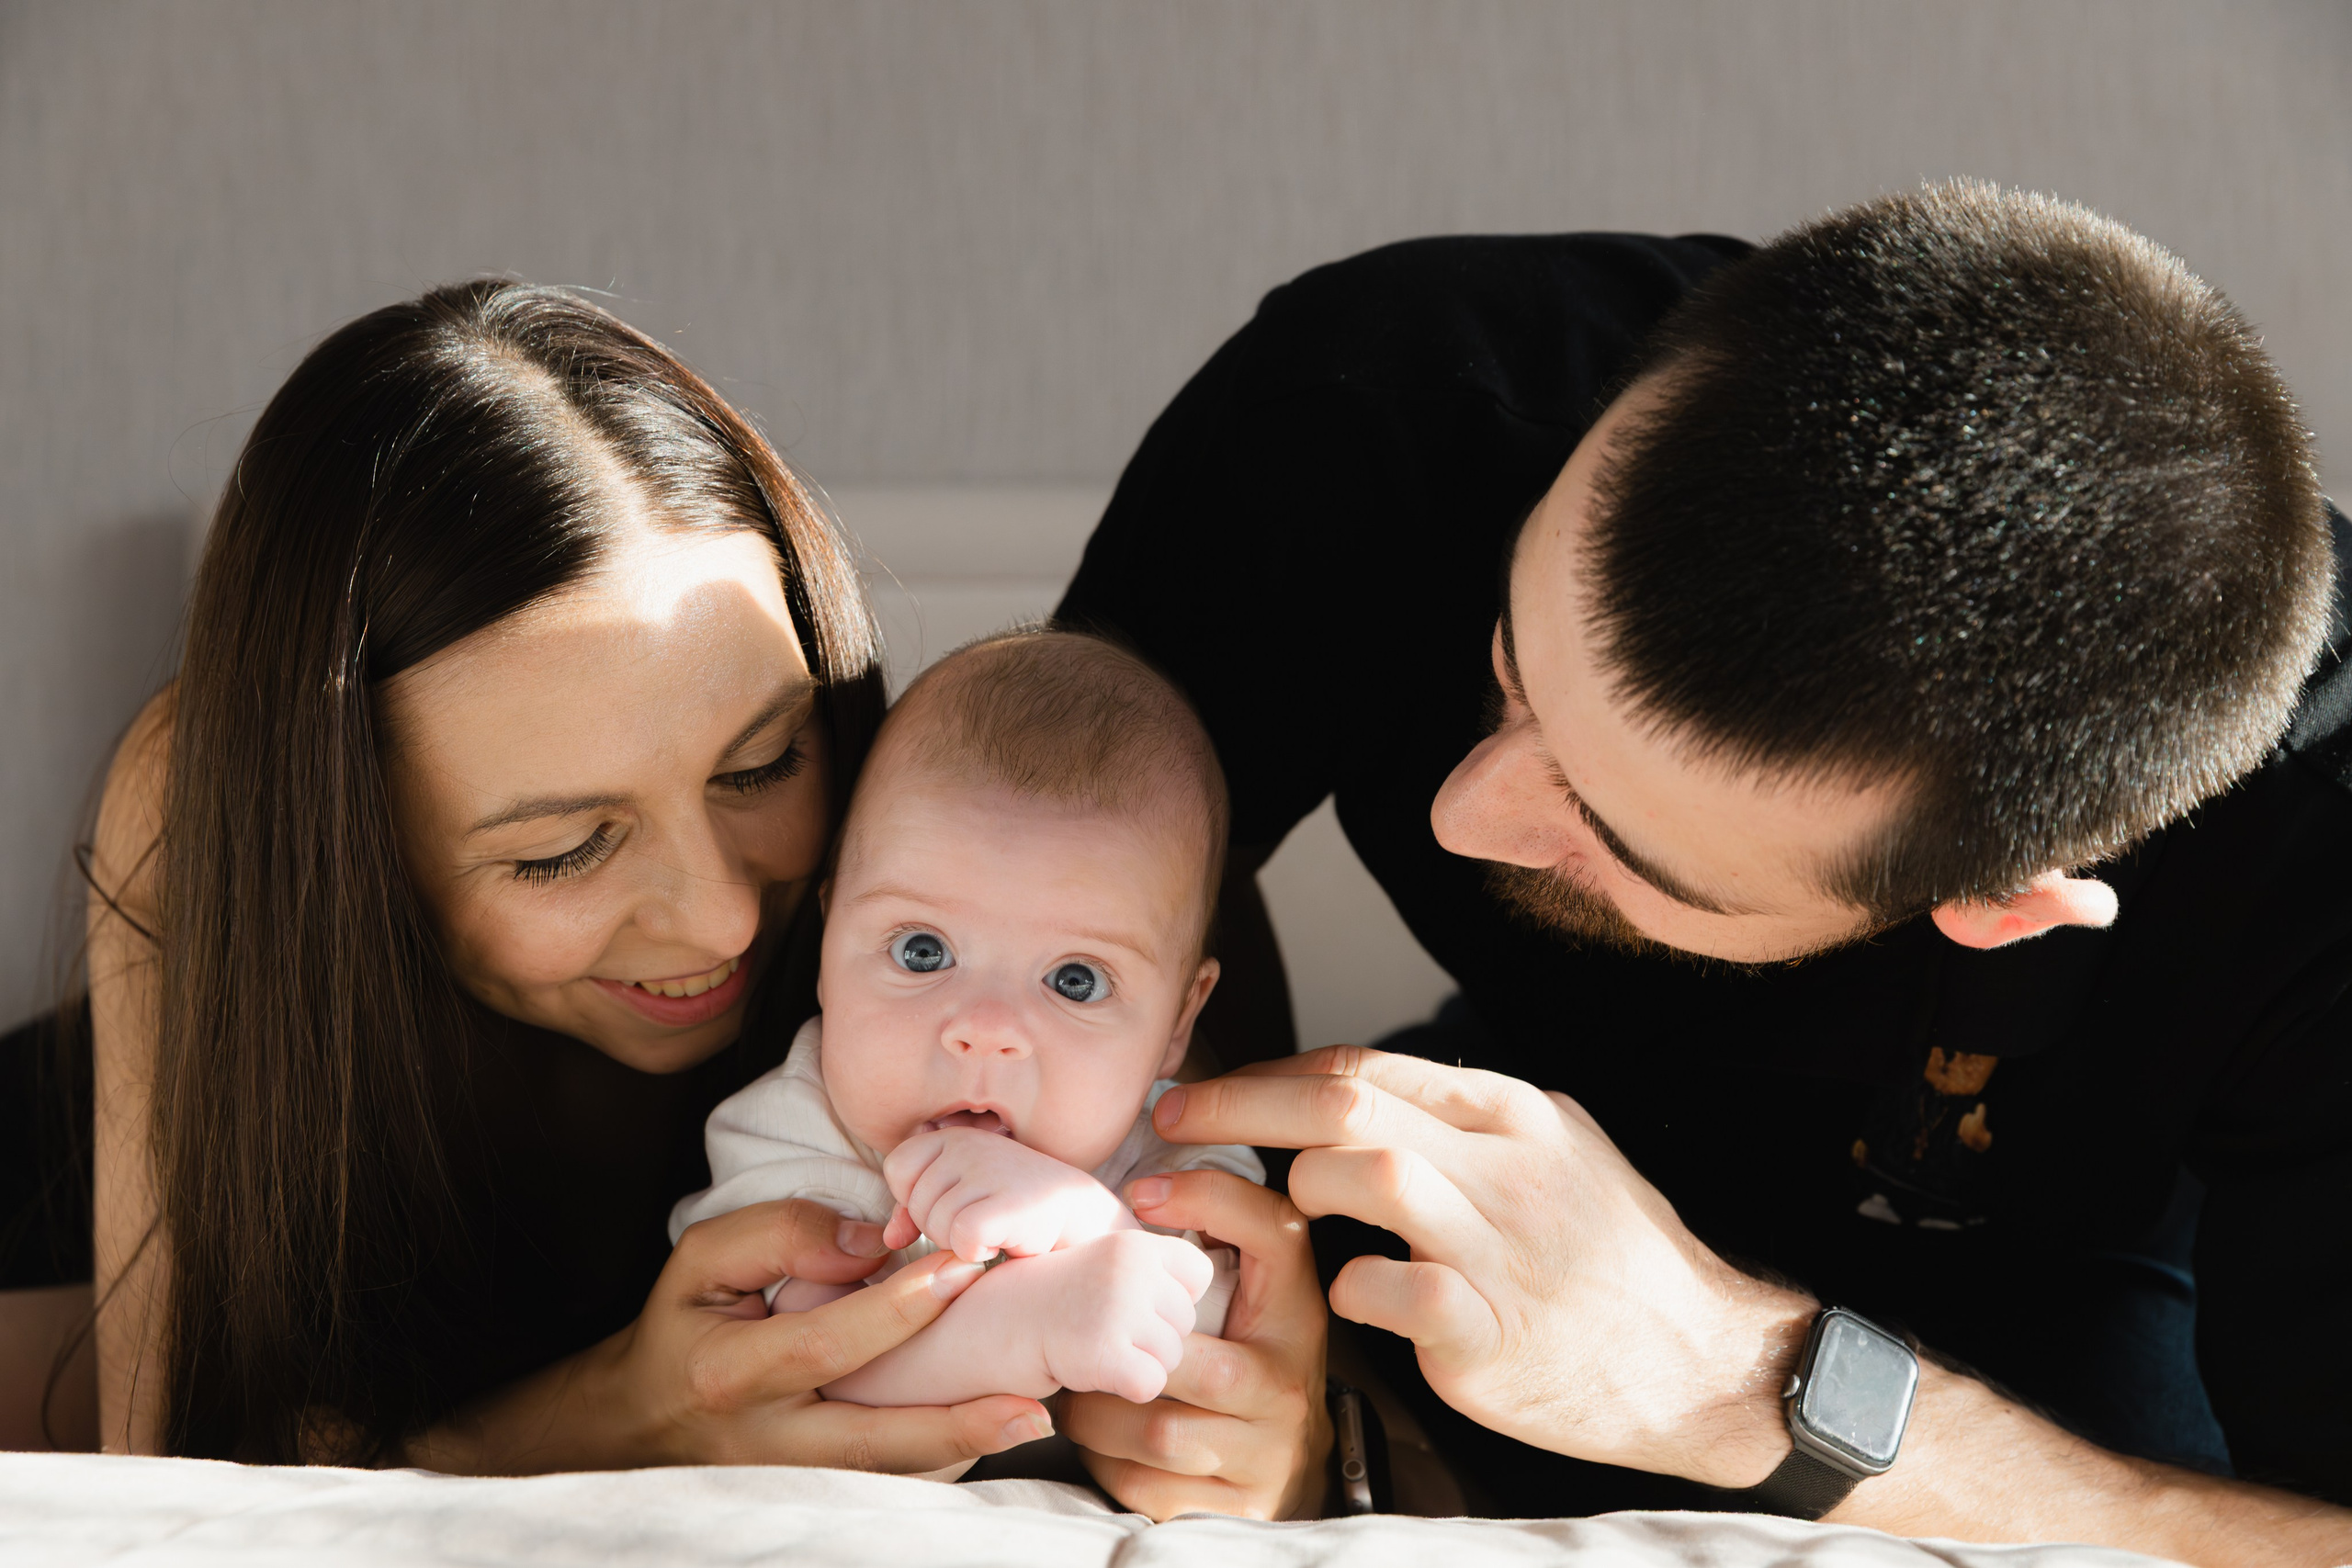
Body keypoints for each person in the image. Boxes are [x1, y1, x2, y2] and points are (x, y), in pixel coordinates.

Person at [1059, 181, 2352, 1561]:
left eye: (1614, 841)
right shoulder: (1384, 402)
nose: (1461, 816)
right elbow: (1034, 884)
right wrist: (1236, 1278)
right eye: (1509, 665)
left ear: (2003, 906)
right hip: (1513, 1112)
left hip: (2056, 1276)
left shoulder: (2315, 870)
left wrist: (1733, 1378)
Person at [0, 281, 1327, 1521]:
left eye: (761, 763)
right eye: (565, 847)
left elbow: (1235, 1355)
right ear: (357, 854)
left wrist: (1292, 1447)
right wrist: (628, 1410)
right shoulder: (209, 815)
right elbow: (187, 1474)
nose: (722, 921)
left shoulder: (1033, 879)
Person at [670, 631, 1277, 1438]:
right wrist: (1027, 1328)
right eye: (923, 951)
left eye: (1076, 980)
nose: (984, 1032)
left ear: (1178, 1023)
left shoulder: (1177, 1158)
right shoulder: (792, 1125)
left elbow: (1218, 1343)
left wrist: (1091, 1223)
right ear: (827, 951)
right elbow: (805, 1374)